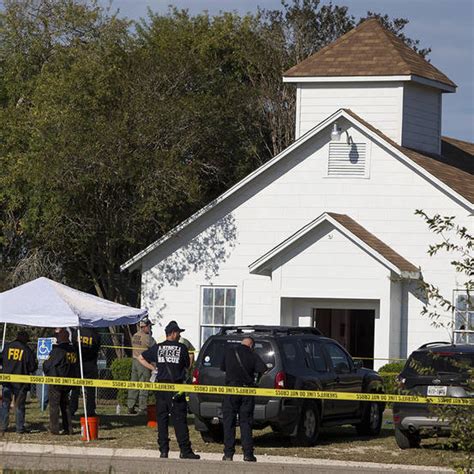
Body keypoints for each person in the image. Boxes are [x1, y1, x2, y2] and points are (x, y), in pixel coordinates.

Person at [139, 321, 200, 460]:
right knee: (179, 420)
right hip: (176, 388)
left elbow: (141, 357)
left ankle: (164, 451)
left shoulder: (157, 347)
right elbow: (187, 366)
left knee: (162, 419)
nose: (179, 335)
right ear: (173, 333)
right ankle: (185, 451)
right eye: (178, 333)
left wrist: (154, 369)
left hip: (161, 388)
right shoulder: (182, 348)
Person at [220, 336, 267, 462]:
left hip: (230, 390)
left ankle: (228, 454)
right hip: (247, 391)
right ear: (252, 345)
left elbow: (223, 368)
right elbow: (263, 369)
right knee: (245, 423)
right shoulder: (252, 354)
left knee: (228, 422)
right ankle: (248, 454)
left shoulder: (229, 351)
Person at [0, 330, 38, 434]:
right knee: (19, 405)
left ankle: (3, 427)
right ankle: (19, 428)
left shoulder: (7, 346)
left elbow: (1, 359)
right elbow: (32, 368)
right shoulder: (27, 350)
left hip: (7, 379)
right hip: (21, 382)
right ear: (25, 339)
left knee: (5, 404)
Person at [43, 328, 79, 435]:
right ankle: (68, 428)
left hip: (56, 381)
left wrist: (48, 372)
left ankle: (54, 429)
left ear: (62, 337)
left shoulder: (58, 350)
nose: (56, 337)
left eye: (58, 336)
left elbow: (47, 364)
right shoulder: (72, 350)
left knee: (54, 406)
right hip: (68, 381)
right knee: (65, 406)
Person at [70, 327, 101, 416]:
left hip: (78, 363)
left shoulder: (77, 332)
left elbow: (73, 345)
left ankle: (72, 408)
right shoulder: (95, 333)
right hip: (90, 363)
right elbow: (97, 347)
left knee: (75, 388)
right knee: (90, 389)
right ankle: (90, 410)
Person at [127, 317, 155, 414]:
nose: (151, 329)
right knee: (144, 384)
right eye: (150, 327)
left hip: (134, 361)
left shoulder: (135, 336)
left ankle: (130, 405)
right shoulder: (148, 338)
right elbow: (154, 350)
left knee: (133, 384)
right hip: (144, 363)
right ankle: (142, 407)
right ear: (145, 326)